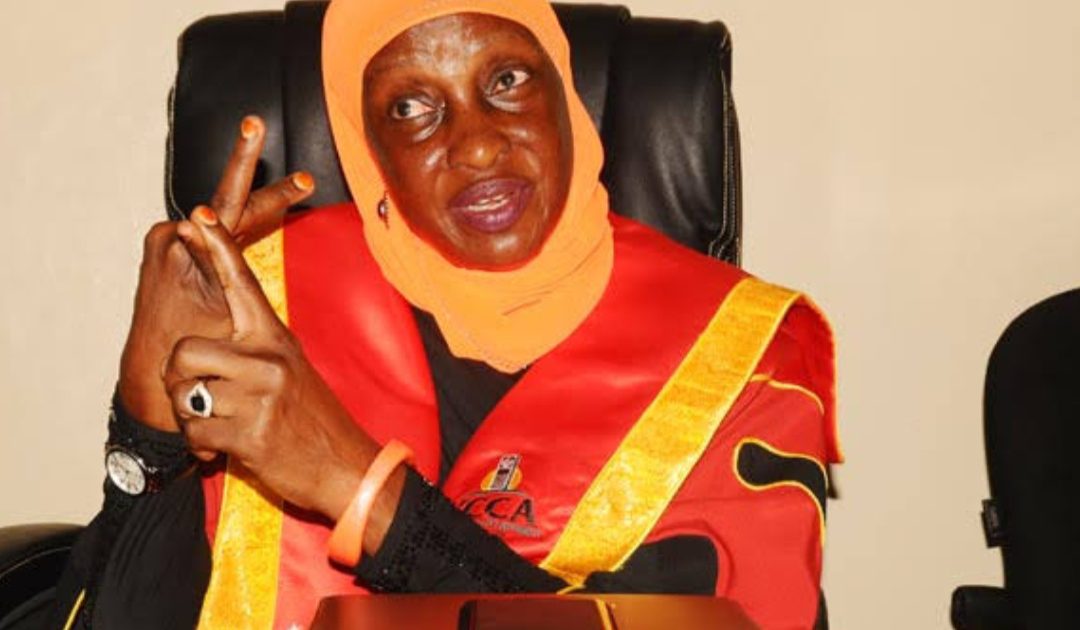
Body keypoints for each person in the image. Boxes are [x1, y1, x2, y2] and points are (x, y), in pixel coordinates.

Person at [52, 0, 840, 628]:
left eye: (508, 81)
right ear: (368, 153)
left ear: (566, 97)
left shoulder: (736, 350)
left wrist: (361, 490)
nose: (478, 145)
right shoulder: (269, 307)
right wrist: (148, 422)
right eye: (410, 108)